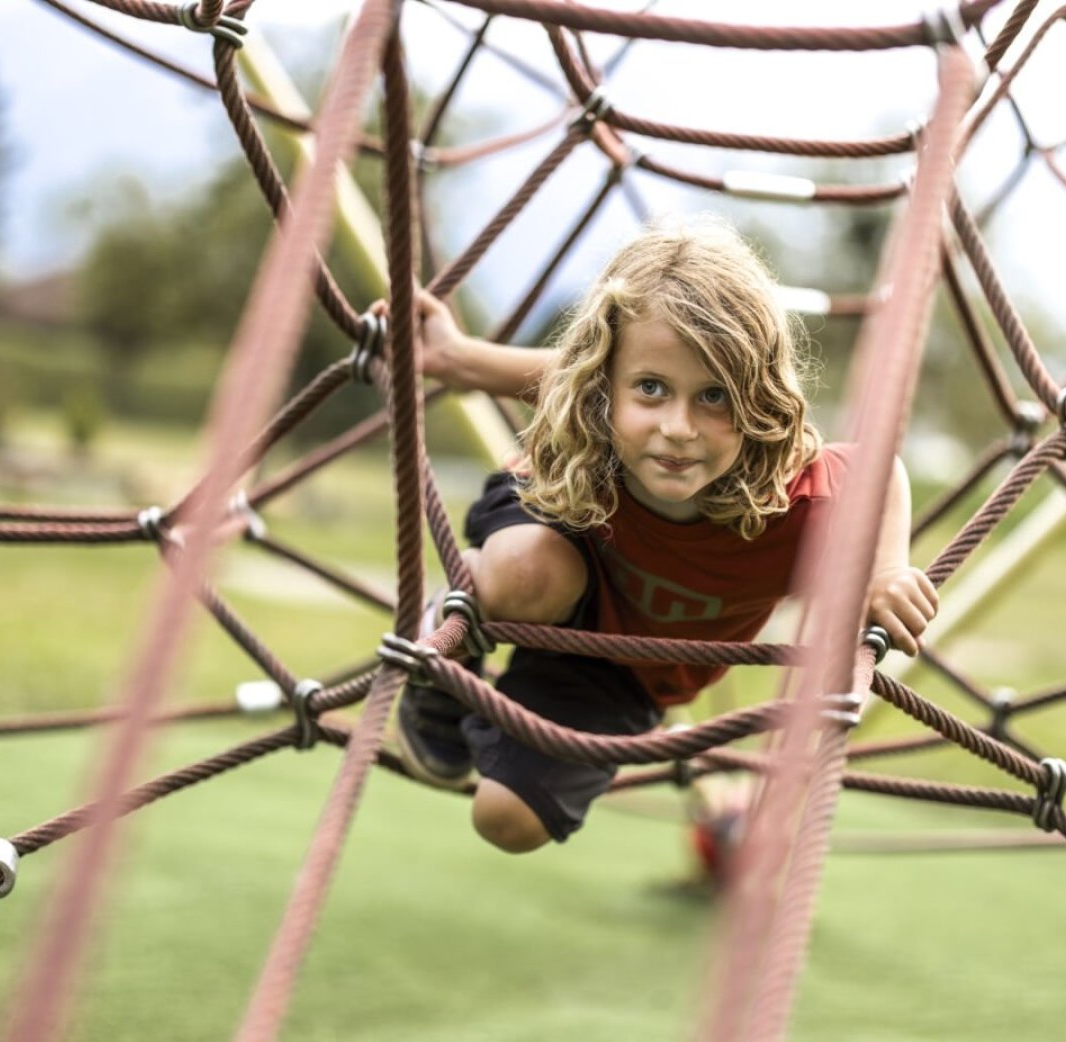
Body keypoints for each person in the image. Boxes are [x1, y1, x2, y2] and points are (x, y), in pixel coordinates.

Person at [396, 218, 937, 854]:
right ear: (607, 390)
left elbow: (880, 471)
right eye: (652, 389)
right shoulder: (597, 416)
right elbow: (574, 374)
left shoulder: (794, 494)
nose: (678, 427)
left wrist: (885, 571)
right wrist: (460, 359)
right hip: (557, 517)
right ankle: (450, 635)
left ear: (758, 400)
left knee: (507, 822)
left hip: (626, 669)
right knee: (528, 576)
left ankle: (500, 708)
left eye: (714, 396)